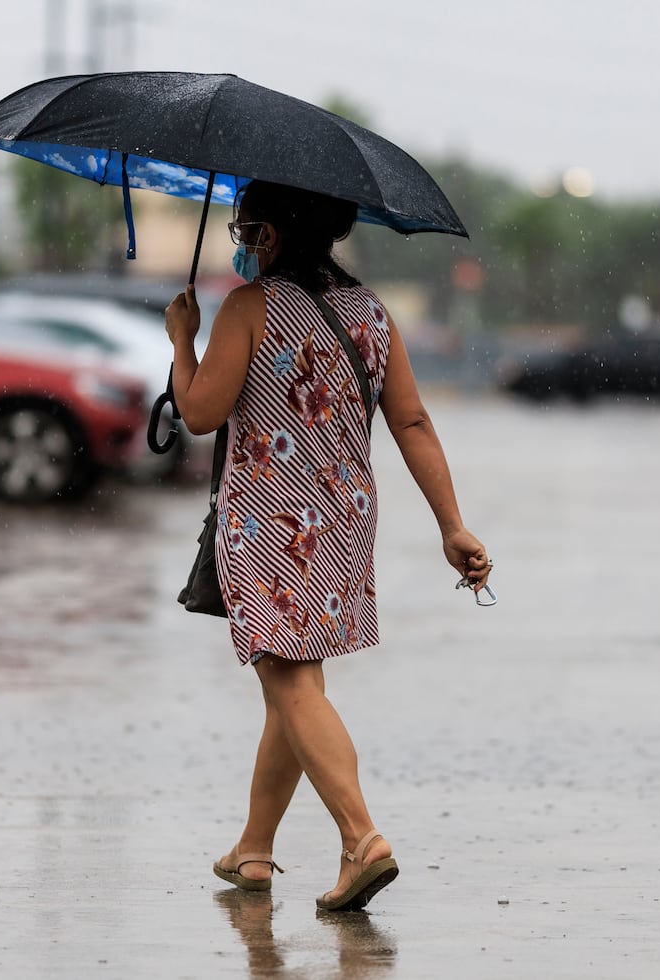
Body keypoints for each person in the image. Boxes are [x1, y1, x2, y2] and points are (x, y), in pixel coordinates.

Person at [165, 179, 492, 912]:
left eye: (247, 229)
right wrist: (452, 525)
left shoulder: (250, 308)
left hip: (272, 521)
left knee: (287, 683)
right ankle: (254, 848)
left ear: (273, 235)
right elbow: (412, 424)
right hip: (343, 520)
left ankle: (361, 839)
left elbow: (199, 411)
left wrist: (183, 343)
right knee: (297, 682)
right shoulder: (373, 314)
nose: (242, 242)